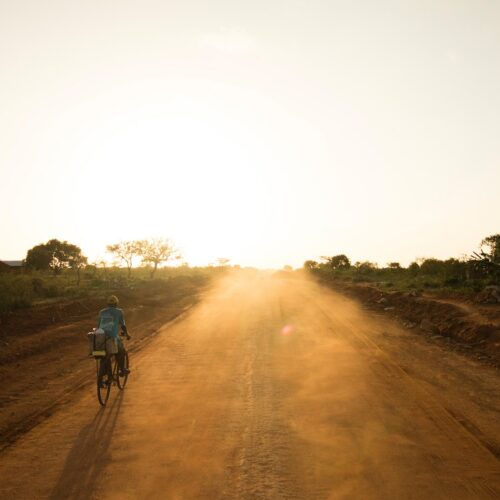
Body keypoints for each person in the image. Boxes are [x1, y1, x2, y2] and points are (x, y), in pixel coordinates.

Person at [97, 295, 130, 385]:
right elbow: (123, 325)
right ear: (116, 304)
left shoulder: (101, 312)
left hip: (99, 337)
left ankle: (107, 376)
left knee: (104, 356)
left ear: (107, 304)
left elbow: (98, 325)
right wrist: (127, 334)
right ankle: (122, 369)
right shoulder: (119, 312)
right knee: (121, 351)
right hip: (111, 337)